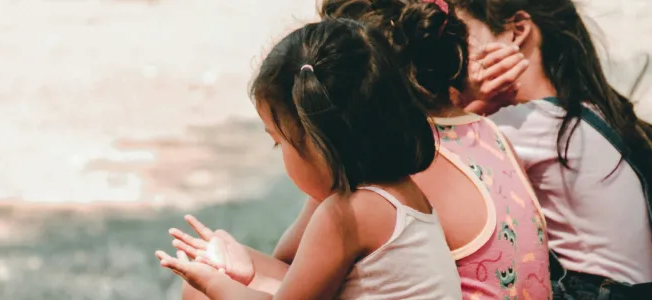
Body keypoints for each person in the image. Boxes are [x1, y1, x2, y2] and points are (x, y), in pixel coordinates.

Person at [172, 0, 551, 298]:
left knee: (201, 288)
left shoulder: (356, 206)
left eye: (279, 143)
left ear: (327, 130)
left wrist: (216, 284)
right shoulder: (470, 137)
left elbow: (289, 259)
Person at [156, 18, 463, 299]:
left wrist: (212, 283)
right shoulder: (401, 194)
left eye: (280, 143)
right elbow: (297, 276)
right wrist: (246, 264)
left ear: (320, 143)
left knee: (199, 295)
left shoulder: (347, 214)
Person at [448, 0, 652, 298]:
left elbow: (424, 158)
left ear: (517, 31)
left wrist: (465, 101)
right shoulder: (595, 116)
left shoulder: (527, 125)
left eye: (462, 39)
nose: (456, 59)